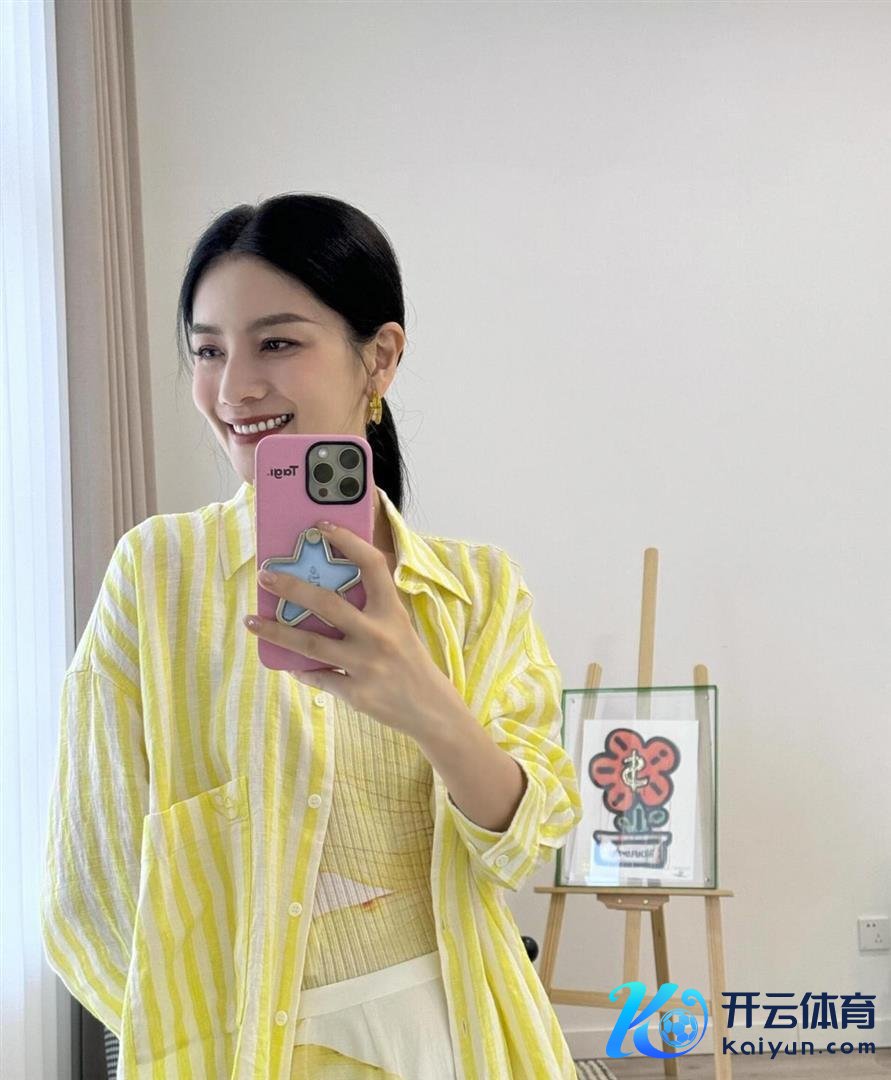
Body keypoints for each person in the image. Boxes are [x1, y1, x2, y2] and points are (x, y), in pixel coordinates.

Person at [40, 193, 584, 1080]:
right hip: (246, 1053)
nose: (234, 388)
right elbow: (86, 891)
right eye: (207, 351)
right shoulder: (158, 574)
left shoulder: (478, 592)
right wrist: (205, 1044)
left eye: (277, 344)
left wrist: (425, 702)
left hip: (461, 1038)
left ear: (381, 358)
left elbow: (526, 840)